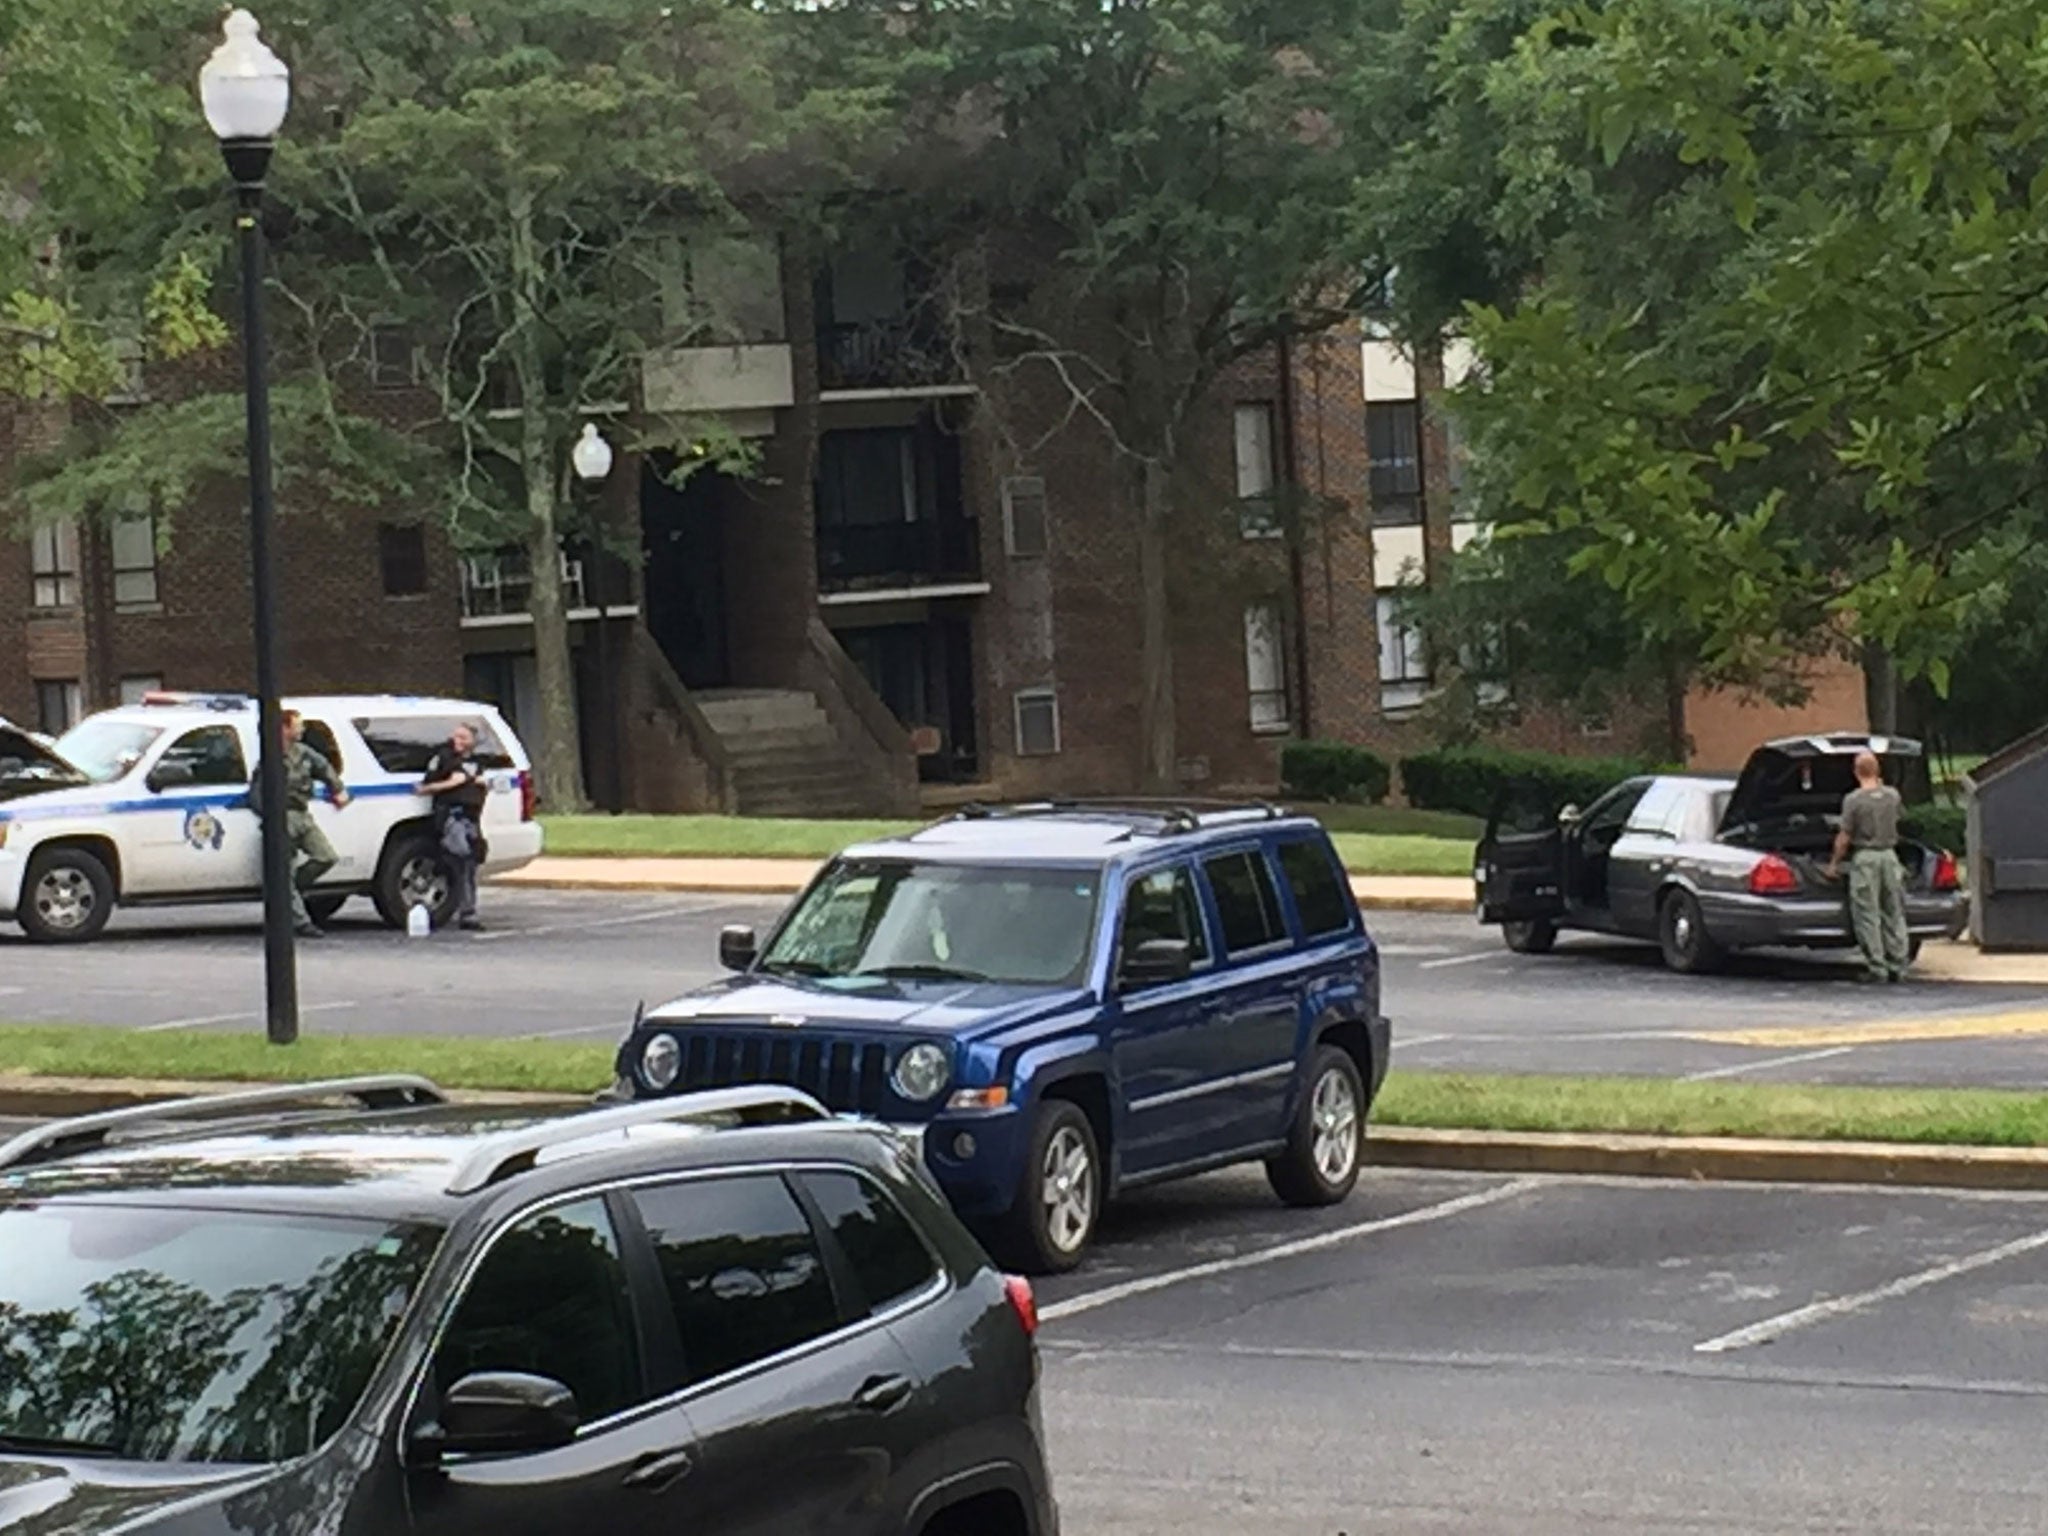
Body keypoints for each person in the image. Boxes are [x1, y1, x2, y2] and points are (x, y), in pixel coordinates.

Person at [252, 710, 350, 940]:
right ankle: (301, 921)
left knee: (326, 857)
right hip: (281, 817)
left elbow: (325, 767)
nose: (302, 730)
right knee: (283, 870)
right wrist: (270, 817)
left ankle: (287, 894)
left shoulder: (304, 753)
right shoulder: (270, 759)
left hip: (302, 815)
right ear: (284, 729)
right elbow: (256, 795)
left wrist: (338, 789)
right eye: (298, 726)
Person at [1826, 750, 1910, 983]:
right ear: (1878, 770)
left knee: (1868, 913)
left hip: (1866, 859)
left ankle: (1877, 967)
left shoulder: (1853, 800)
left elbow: (1844, 837)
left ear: (1855, 772)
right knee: (1893, 911)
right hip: (1890, 857)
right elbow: (1900, 819)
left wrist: (1834, 864)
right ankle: (1899, 964)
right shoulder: (1893, 796)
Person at [421, 723, 489, 931]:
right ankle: (466, 912)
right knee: (461, 858)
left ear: (473, 742)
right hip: (452, 817)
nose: (458, 742)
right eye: (456, 737)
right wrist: (456, 782)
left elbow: (479, 785)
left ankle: (468, 911)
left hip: (471, 819)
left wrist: (470, 781)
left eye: (464, 738)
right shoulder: (443, 758)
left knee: (471, 863)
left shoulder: (477, 763)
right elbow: (427, 785)